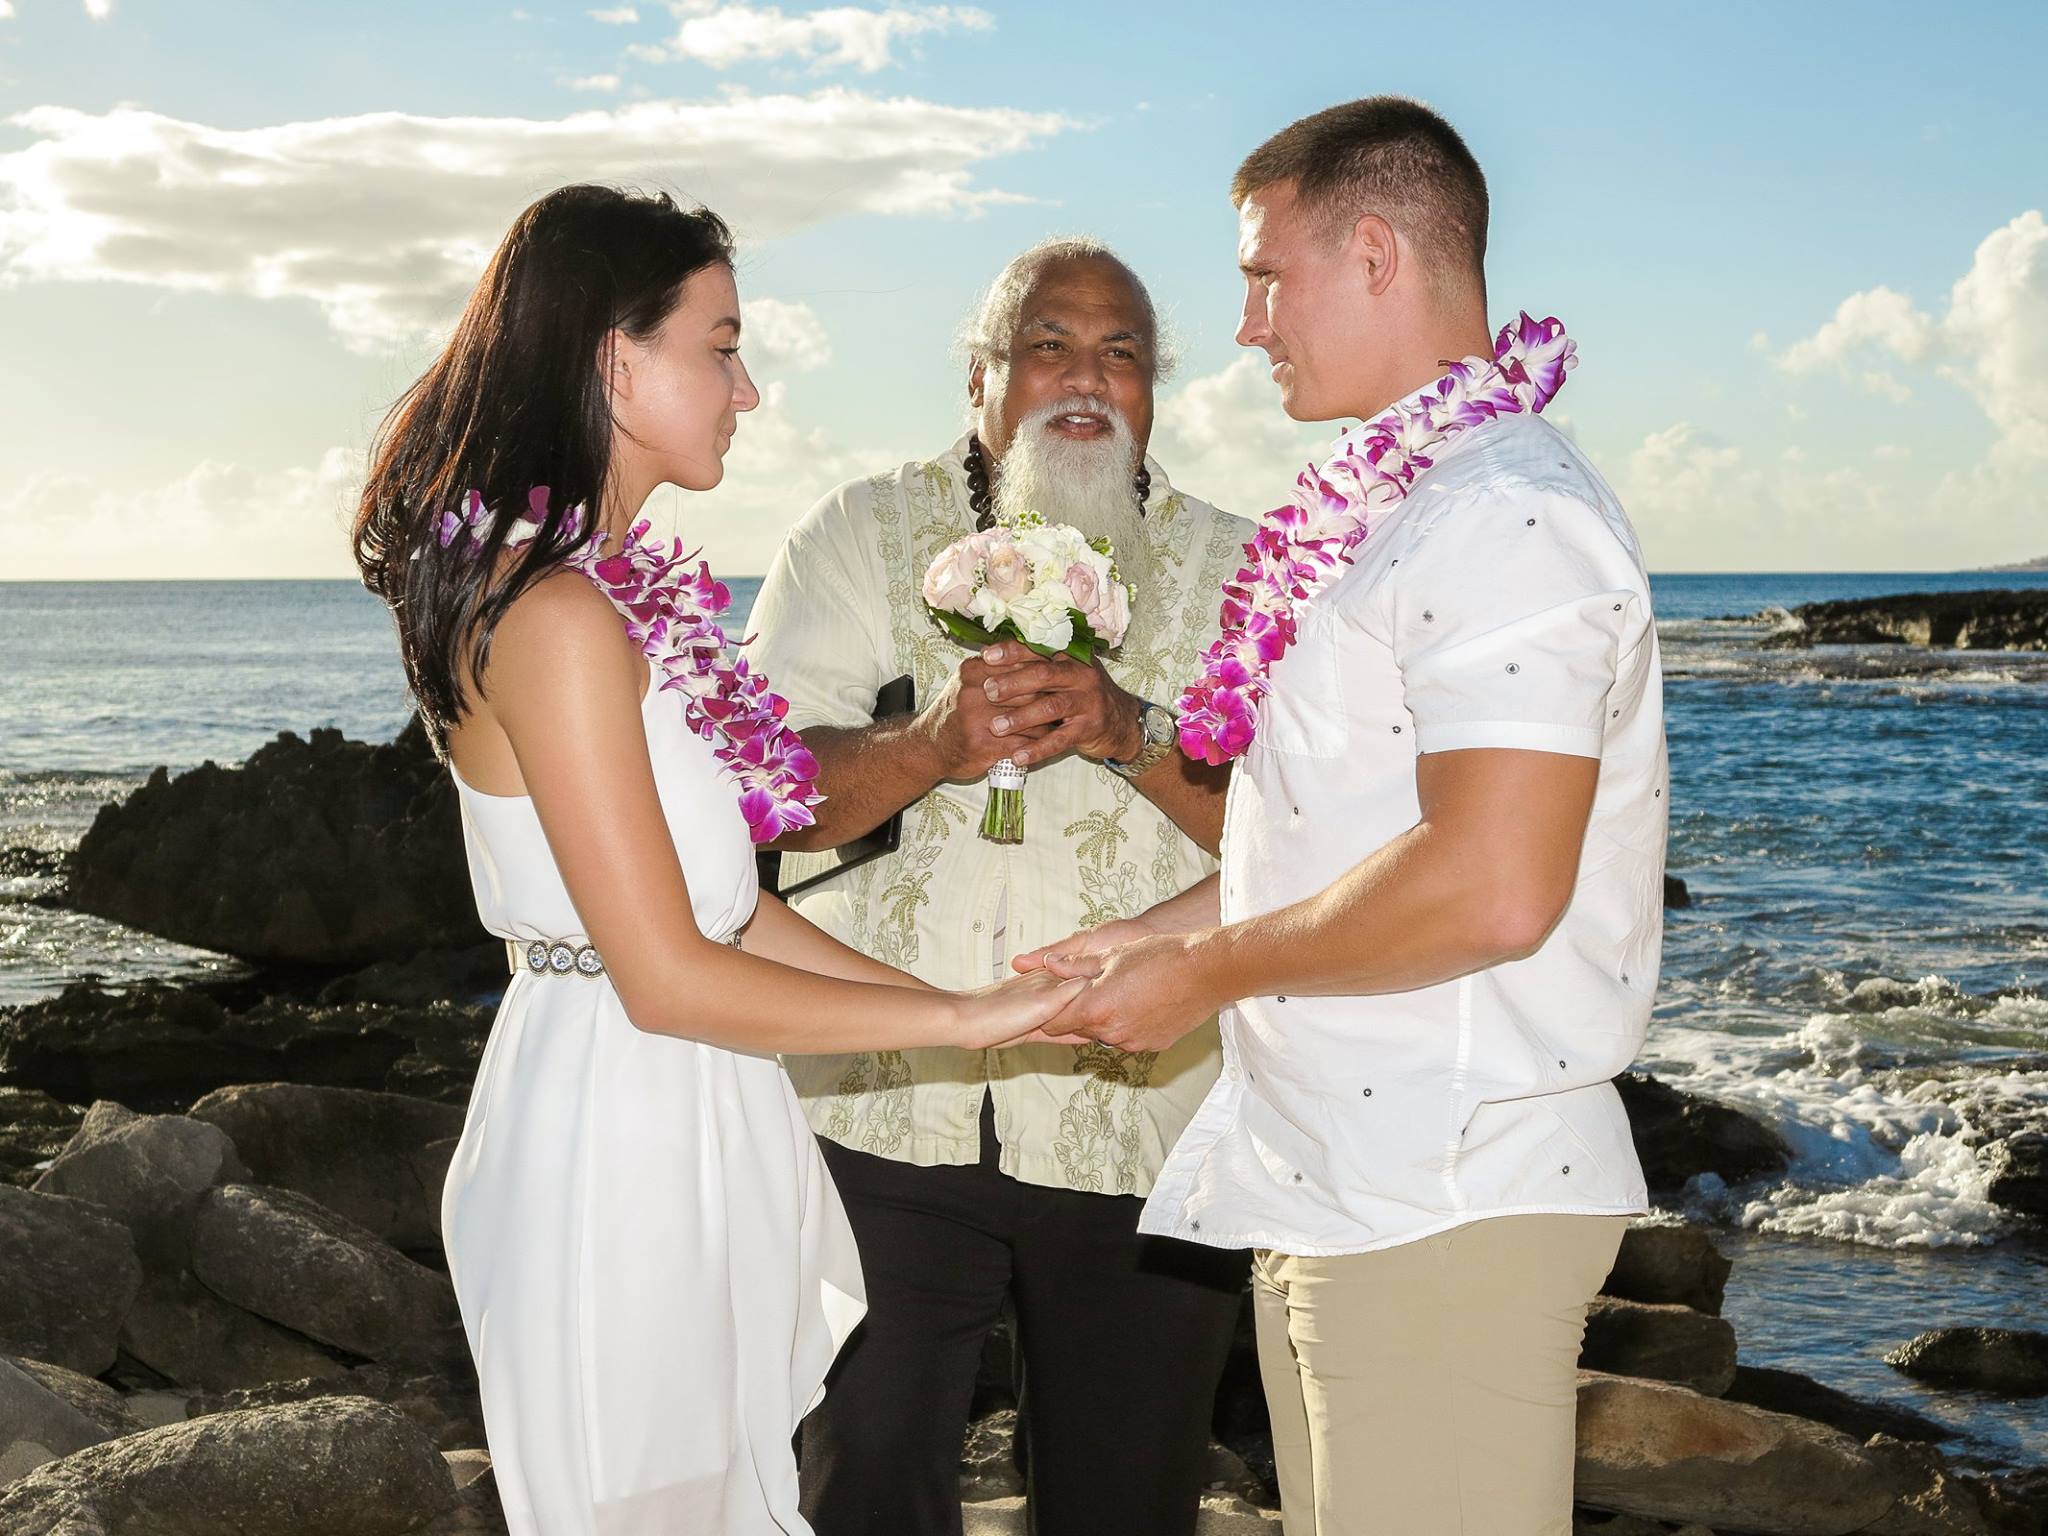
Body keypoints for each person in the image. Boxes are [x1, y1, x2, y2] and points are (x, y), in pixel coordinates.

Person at [349, 185, 1081, 1536]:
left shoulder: (604, 593)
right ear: (618, 362)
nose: (746, 390)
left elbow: (724, 909)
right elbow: (670, 974)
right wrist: (968, 1021)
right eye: (722, 345)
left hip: (689, 1097)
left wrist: (977, 1009)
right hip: (618, 1122)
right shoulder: (558, 617)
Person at [1018, 99, 1666, 1535]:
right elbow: (1341, 840)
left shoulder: (1505, 515)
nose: (1246, 326)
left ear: (1374, 251)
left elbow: (1495, 883)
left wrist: (1205, 973)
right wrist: (1154, 937)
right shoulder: (1405, 502)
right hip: (1341, 1178)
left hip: (1448, 1186)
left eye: (1265, 275)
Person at [746, 237, 1255, 1536]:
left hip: (1150, 1122)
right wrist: (932, 748)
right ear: (978, 377)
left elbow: (1302, 840)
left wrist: (1126, 729)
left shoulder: (1245, 571)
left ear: (1156, 389)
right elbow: (754, 793)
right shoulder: (859, 535)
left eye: (1123, 352)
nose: (1086, 378)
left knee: (1127, 1506)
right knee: (858, 1486)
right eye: (1047, 346)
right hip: (880, 1110)